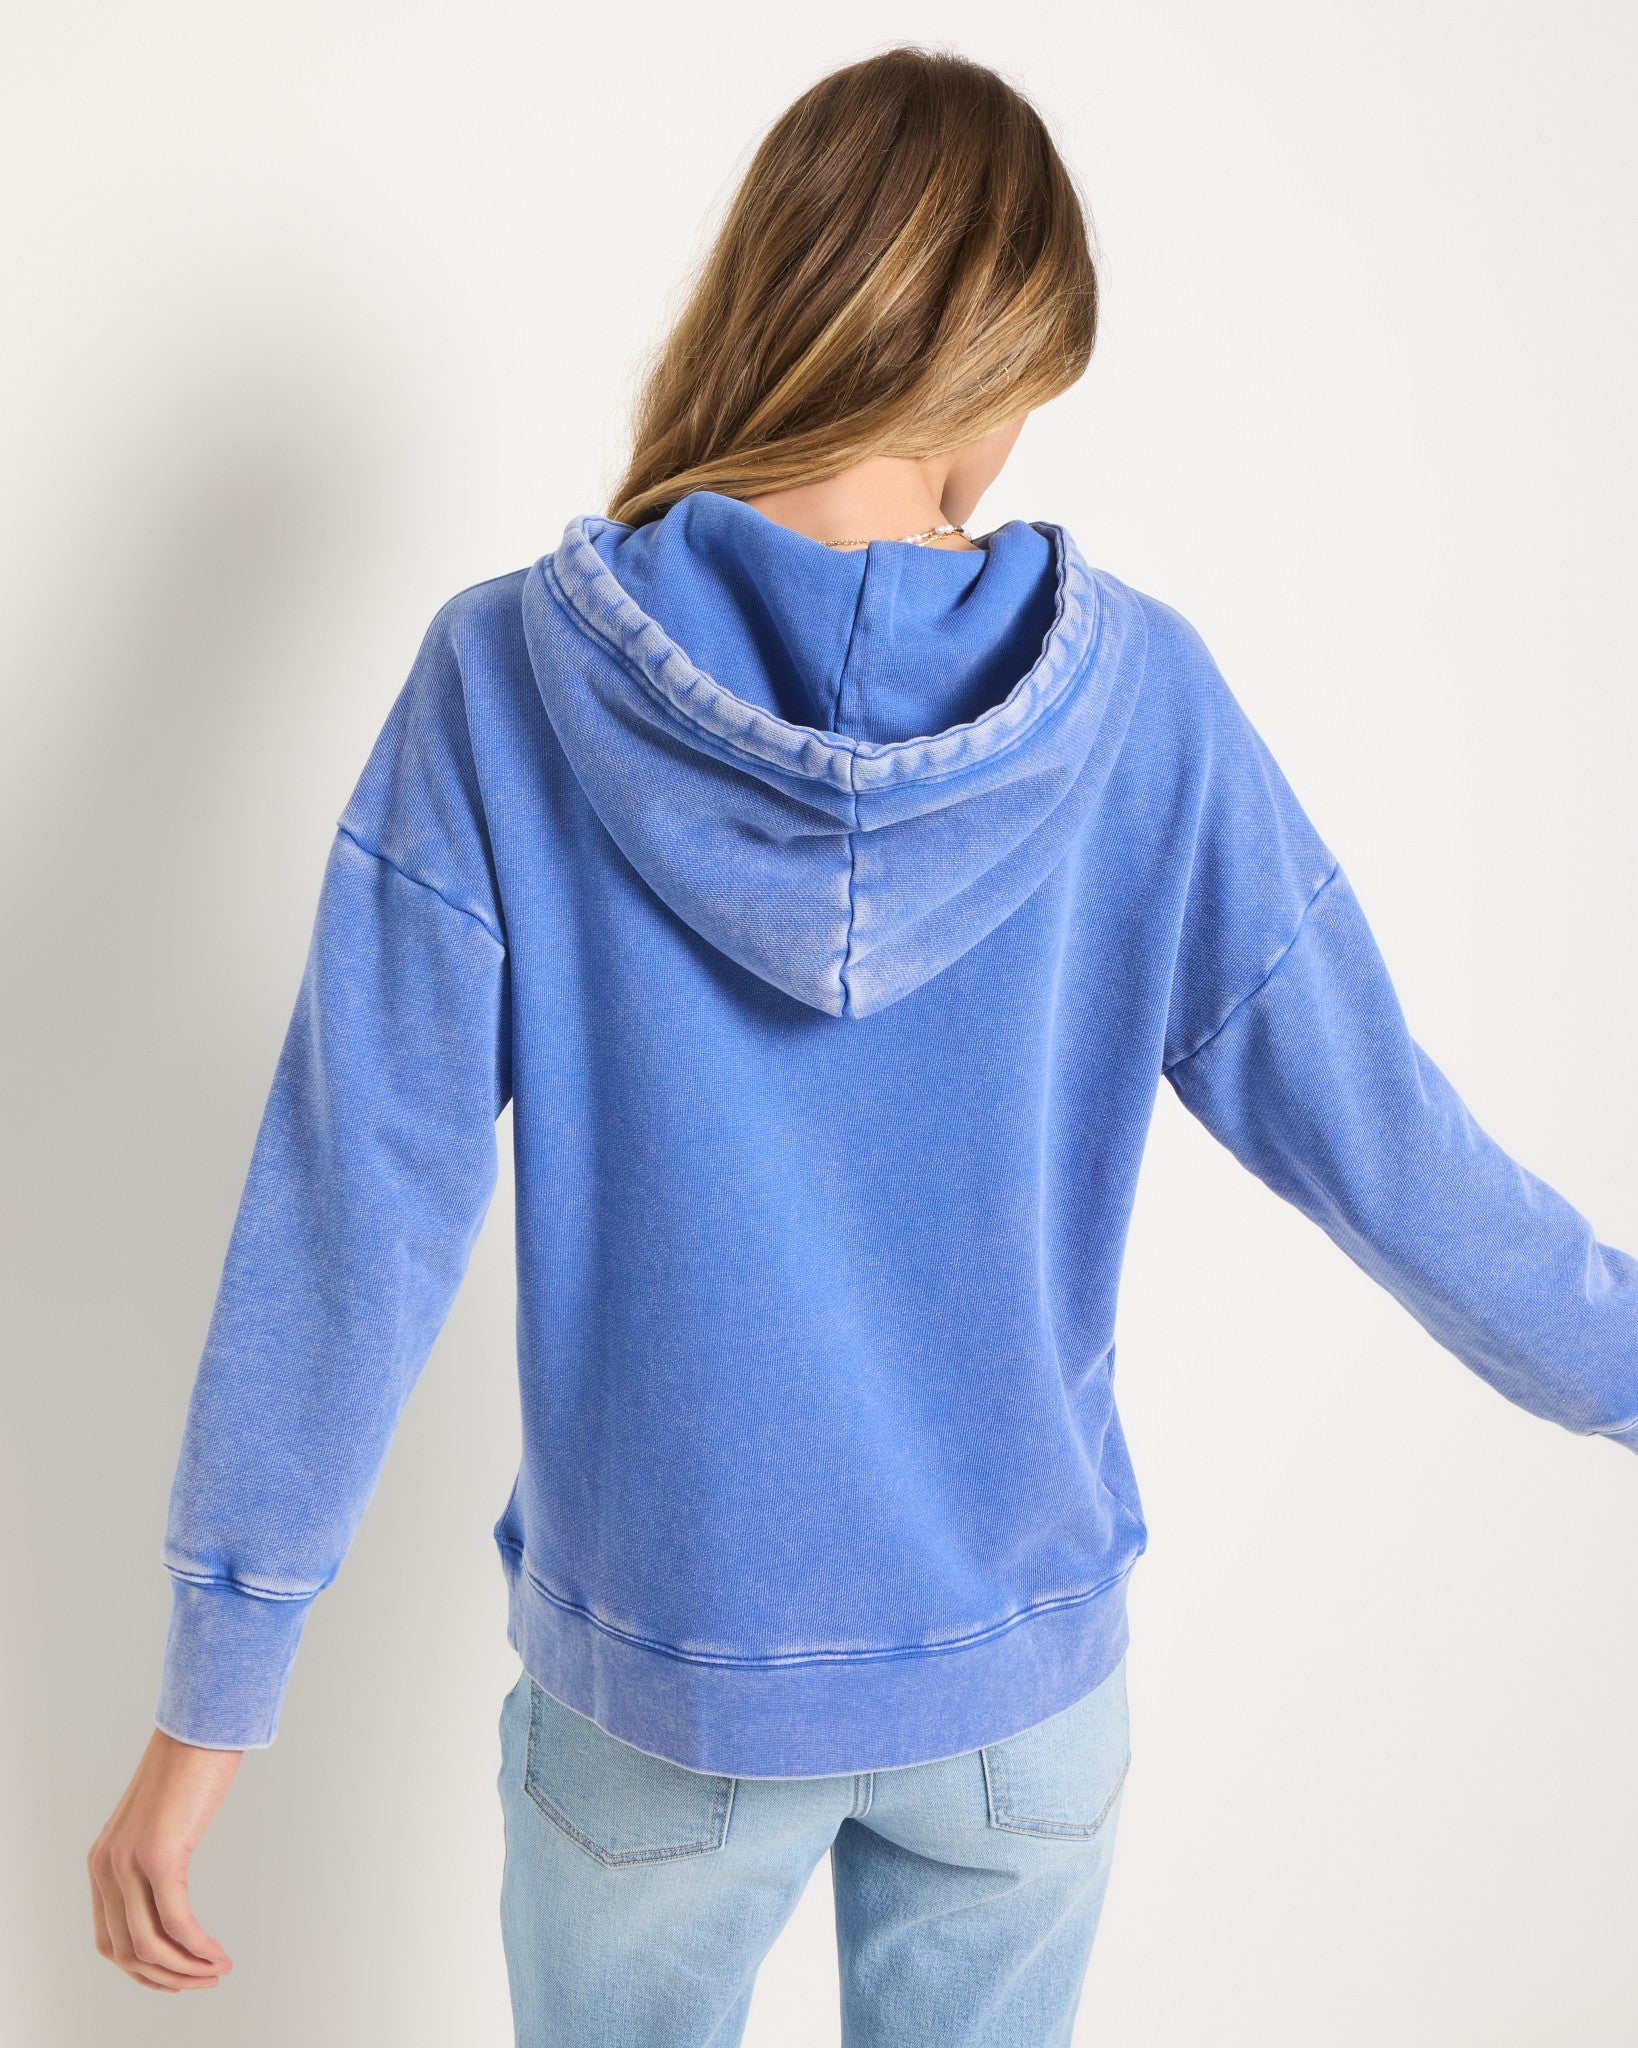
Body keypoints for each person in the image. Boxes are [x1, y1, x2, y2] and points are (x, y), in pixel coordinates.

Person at [87, 43, 1638, 2046]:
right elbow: (1394, 1156)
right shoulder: (1141, 711)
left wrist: (211, 1705)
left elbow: (348, 1218)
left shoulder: (501, 683)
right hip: (1016, 1703)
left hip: (662, 1702)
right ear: (997, 363)